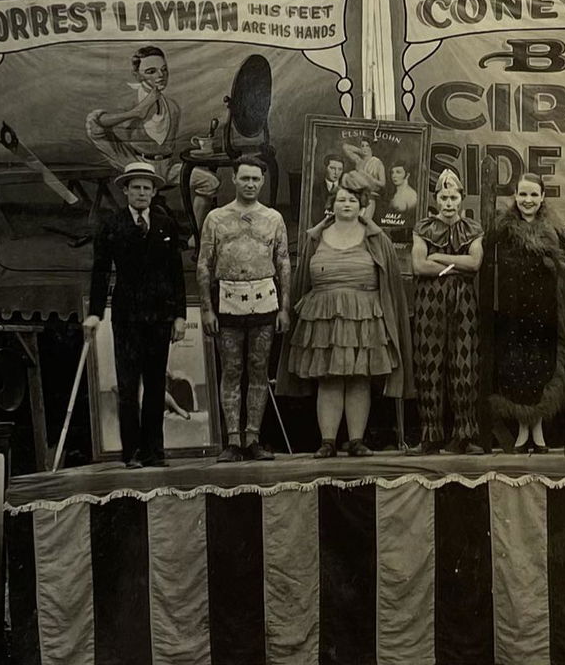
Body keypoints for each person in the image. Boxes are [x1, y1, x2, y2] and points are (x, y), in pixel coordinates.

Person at [279, 183, 414, 458]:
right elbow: (302, 280)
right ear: (332, 204)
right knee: (329, 379)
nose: (347, 204)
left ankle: (356, 441)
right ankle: (327, 442)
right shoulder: (315, 237)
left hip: (364, 316)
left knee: (358, 378)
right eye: (341, 199)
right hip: (323, 316)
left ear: (362, 205)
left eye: (353, 200)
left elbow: (391, 284)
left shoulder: (377, 238)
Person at [84, 161, 188, 468]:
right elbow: (101, 272)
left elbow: (176, 274)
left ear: (154, 191)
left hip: (160, 317)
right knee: (128, 386)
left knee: (156, 385)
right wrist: (94, 314)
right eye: (136, 187)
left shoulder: (165, 224)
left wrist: (180, 316)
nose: (142, 193)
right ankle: (131, 453)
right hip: (126, 316)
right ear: (126, 190)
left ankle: (155, 451)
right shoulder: (112, 225)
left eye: (147, 187)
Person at [196, 155, 291, 462]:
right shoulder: (216, 218)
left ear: (262, 182)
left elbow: (284, 262)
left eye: (255, 179)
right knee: (232, 369)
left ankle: (253, 438)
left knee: (259, 370)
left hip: (264, 298)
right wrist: (207, 309)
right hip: (227, 299)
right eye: (245, 178)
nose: (250, 184)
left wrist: (284, 307)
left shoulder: (274, 218)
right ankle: (233, 441)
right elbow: (203, 264)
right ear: (233, 179)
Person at [478, 173, 565, 453]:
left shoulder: (555, 231)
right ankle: (523, 430)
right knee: (518, 368)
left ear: (543, 197)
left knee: (543, 366)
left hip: (545, 311)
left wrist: (553, 265)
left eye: (534, 195)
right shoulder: (503, 229)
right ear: (515, 197)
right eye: (523, 194)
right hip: (514, 311)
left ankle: (539, 430)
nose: (528, 200)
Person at [410, 169, 485, 454]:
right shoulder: (423, 227)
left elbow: (475, 263)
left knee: (463, 365)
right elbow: (419, 266)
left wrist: (439, 257)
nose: (449, 203)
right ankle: (430, 435)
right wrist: (458, 264)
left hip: (463, 302)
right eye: (444, 197)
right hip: (429, 302)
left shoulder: (473, 228)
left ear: (461, 199)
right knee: (429, 365)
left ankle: (464, 434)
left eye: (454, 197)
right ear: (436, 199)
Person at [86, 44, 184, 182]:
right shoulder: (127, 102)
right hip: (137, 164)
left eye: (164, 70)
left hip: (166, 167)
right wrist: (136, 112)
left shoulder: (173, 107)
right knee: (94, 122)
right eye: (151, 71)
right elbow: (96, 124)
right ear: (137, 76)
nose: (161, 75)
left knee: (210, 181)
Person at [340, 138, 387, 221]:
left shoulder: (377, 162)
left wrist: (370, 179)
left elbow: (383, 183)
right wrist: (360, 151)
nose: (364, 148)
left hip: (370, 197)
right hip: (357, 196)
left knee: (365, 222)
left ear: (371, 147)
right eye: (362, 146)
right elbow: (345, 147)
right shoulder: (358, 161)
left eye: (367, 146)